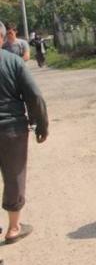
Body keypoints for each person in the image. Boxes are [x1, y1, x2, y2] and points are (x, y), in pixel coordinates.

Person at [0, 21, 48, 245]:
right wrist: (42, 125)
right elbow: (35, 96)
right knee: (14, 176)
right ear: (2, 38)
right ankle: (13, 228)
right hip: (12, 130)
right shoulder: (14, 62)